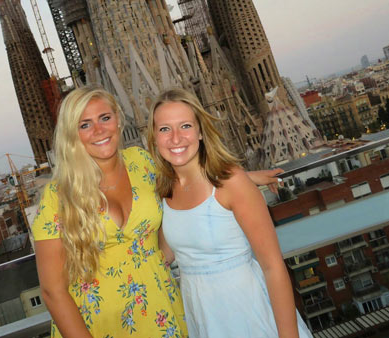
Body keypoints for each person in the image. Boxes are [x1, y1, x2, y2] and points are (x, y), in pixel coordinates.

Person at [147, 88, 312, 338]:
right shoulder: (165, 190)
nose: (176, 138)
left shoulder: (232, 182)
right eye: (164, 129)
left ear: (200, 132)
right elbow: (166, 255)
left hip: (247, 310)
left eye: (185, 126)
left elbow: (273, 267)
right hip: (201, 315)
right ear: (154, 137)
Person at [32, 86, 188, 338]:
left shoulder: (142, 162)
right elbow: (52, 291)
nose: (99, 130)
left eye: (105, 118)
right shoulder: (58, 195)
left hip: (162, 314)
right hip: (97, 325)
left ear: (118, 120)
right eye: (85, 124)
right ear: (72, 134)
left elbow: (187, 190)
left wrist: (241, 180)